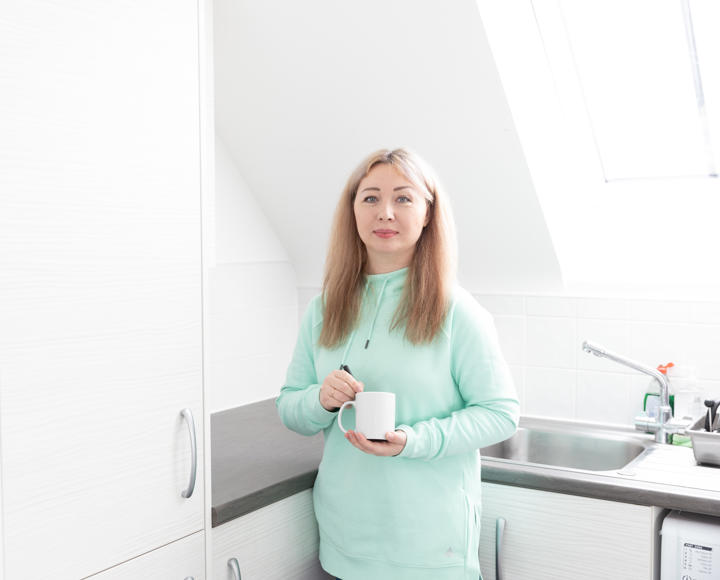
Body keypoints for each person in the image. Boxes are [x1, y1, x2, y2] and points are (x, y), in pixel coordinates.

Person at [276, 148, 519, 580]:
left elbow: (501, 415)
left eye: (403, 198)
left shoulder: (457, 312)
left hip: (429, 551)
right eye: (370, 198)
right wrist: (321, 400)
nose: (384, 212)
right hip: (343, 543)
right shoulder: (323, 309)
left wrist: (413, 440)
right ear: (352, 211)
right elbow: (290, 408)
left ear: (428, 213)